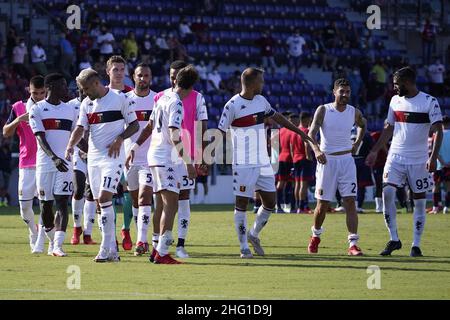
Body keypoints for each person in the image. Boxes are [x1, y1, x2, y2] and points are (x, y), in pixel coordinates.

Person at [218, 67, 324, 258]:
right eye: (261, 81)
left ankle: (253, 234)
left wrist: (301, 132)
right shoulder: (232, 105)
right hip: (243, 163)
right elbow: (219, 132)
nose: (263, 84)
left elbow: (279, 118)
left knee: (270, 202)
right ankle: (243, 247)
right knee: (241, 203)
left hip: (262, 162)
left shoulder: (261, 101)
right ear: (251, 84)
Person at [366, 66, 443, 257]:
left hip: (418, 160)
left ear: (407, 82)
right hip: (395, 157)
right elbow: (388, 128)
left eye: (397, 84)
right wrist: (375, 151)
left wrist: (433, 158)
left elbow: (438, 130)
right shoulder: (394, 101)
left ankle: (416, 245)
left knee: (418, 203)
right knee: (387, 193)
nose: (394, 88)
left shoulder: (429, 102)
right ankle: (394, 239)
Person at [127, 65, 199, 264]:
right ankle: (163, 252)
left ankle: (157, 246)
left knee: (161, 204)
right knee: (171, 204)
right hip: (165, 158)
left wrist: (135, 146)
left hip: (154, 155)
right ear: (191, 87)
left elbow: (150, 126)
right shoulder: (176, 103)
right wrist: (188, 163)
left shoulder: (161, 99)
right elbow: (175, 134)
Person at [65, 68, 139, 262]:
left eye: (86, 88)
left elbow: (134, 125)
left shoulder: (119, 98)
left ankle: (105, 249)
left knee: (105, 197)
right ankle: (112, 251)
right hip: (94, 158)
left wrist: (120, 139)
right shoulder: (86, 104)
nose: (83, 92)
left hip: (113, 157)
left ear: (96, 83)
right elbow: (81, 128)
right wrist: (70, 145)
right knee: (100, 203)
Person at [307, 78, 367, 256]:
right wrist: (317, 150)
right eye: (341, 91)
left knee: (350, 202)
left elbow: (363, 126)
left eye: (347, 92)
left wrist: (357, 143)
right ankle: (315, 236)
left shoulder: (354, 112)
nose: (345, 95)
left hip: (347, 161)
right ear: (334, 92)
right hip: (327, 161)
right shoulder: (324, 109)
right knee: (323, 204)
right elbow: (311, 133)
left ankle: (353, 244)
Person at [29, 73, 79, 257]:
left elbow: (76, 135)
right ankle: (50, 239)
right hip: (46, 163)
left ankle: (58, 245)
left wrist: (88, 150)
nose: (67, 89)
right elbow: (40, 138)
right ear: (51, 87)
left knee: (62, 203)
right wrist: (54, 158)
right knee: (45, 205)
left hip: (65, 164)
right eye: (63, 85)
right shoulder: (38, 109)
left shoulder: (70, 110)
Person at [2, 76, 47, 252]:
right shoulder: (18, 107)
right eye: (35, 93)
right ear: (29, 90)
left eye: (42, 93)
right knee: (24, 208)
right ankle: (33, 231)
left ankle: (41, 240)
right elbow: (6, 133)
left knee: (46, 205)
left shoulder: (51, 107)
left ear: (47, 90)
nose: (39, 96)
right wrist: (19, 119)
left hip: (46, 163)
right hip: (26, 163)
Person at [123, 63, 156, 256]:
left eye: (146, 75)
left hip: (150, 159)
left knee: (145, 198)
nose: (143, 78)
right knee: (135, 201)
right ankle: (140, 237)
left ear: (150, 77)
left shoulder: (157, 99)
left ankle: (142, 241)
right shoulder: (125, 100)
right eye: (139, 75)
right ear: (134, 77)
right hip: (129, 158)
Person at [106, 55, 134, 250]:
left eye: (122, 69)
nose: (119, 73)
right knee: (107, 195)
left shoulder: (131, 95)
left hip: (128, 150)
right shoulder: (102, 95)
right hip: (106, 152)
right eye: (115, 69)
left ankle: (125, 229)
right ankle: (111, 235)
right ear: (108, 71)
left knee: (129, 192)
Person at [68, 85, 97, 246]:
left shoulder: (97, 102)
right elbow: (73, 130)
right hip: (79, 154)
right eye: (81, 88)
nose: (84, 91)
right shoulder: (71, 106)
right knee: (78, 189)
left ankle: (88, 233)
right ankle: (76, 228)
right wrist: (83, 148)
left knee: (91, 193)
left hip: (95, 154)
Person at [290, 111, 314, 213]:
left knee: (297, 184)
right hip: (304, 159)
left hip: (295, 159)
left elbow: (291, 146)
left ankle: (297, 206)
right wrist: (308, 155)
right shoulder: (306, 130)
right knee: (303, 184)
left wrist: (293, 158)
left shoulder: (294, 131)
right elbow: (307, 144)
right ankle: (301, 206)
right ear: (306, 119)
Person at [351, 127, 374, 213]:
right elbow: (372, 147)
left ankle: (350, 205)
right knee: (361, 185)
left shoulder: (347, 132)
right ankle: (359, 206)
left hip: (350, 161)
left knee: (350, 184)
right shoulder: (366, 134)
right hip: (362, 161)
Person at [276, 112, 294, 213]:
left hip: (281, 158)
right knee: (292, 183)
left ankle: (278, 206)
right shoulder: (292, 131)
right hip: (290, 159)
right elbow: (292, 147)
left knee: (280, 183)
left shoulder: (280, 131)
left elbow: (276, 146)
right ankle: (291, 206)